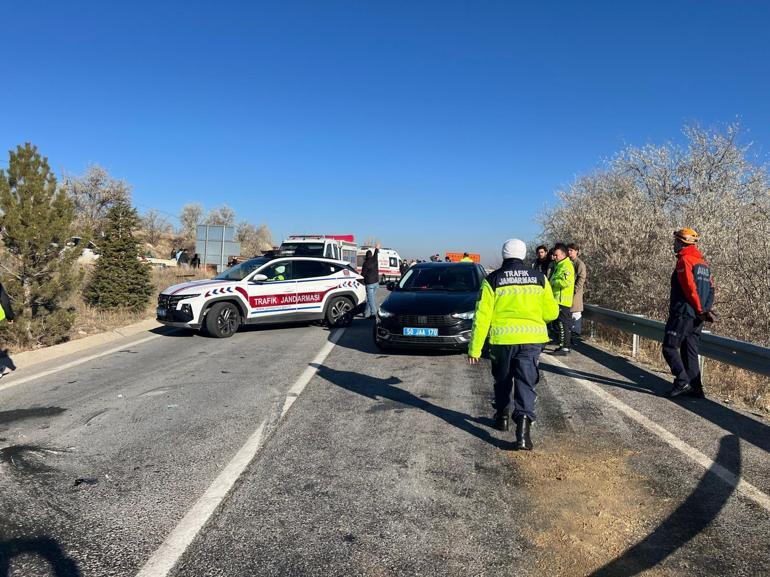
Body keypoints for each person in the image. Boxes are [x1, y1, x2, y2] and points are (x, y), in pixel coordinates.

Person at [468, 238, 559, 450]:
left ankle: (502, 418)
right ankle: (523, 434)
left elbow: (482, 317)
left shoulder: (492, 279)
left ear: (503, 254)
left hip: (502, 342)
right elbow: (551, 313)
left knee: (502, 381)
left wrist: (475, 348)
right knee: (526, 383)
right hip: (531, 341)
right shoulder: (539, 278)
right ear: (524, 254)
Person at [663, 228, 715, 398]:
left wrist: (699, 308)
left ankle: (682, 381)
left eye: (676, 241)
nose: (674, 244)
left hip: (683, 312)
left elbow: (689, 287)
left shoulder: (684, 261)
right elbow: (712, 289)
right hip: (698, 316)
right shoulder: (704, 264)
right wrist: (705, 310)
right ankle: (696, 388)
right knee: (689, 349)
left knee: (669, 347)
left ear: (681, 242)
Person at [548, 243, 575, 355]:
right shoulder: (559, 265)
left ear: (563, 254)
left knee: (563, 324)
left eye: (556, 255)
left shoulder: (566, 265)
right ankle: (562, 345)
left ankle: (565, 348)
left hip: (563, 300)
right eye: (554, 255)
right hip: (557, 300)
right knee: (560, 324)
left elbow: (566, 282)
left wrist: (553, 282)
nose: (554, 257)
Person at [568, 243, 587, 340]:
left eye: (571, 250)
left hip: (575, 294)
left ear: (577, 251)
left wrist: (575, 289)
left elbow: (582, 278)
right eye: (568, 250)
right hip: (567, 294)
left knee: (575, 313)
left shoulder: (579, 264)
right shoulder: (567, 262)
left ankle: (575, 334)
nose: (569, 252)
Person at [361, 243, 381, 318]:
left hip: (369, 283)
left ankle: (373, 314)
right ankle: (365, 312)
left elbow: (363, 274)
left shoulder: (365, 263)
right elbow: (376, 253)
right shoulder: (375, 259)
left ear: (366, 256)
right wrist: (377, 248)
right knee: (370, 298)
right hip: (376, 283)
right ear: (371, 255)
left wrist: (360, 280)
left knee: (371, 299)